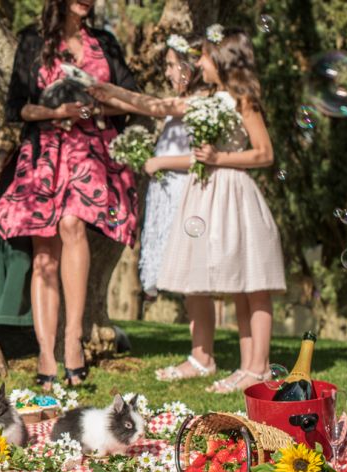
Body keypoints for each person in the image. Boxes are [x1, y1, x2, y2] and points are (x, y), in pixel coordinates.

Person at [92, 25, 286, 394]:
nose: (199, 63)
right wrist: (111, 92)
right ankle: (248, 368)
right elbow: (158, 105)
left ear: (224, 60)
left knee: (254, 286)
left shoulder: (243, 101)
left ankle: (258, 367)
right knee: (239, 285)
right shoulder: (207, 101)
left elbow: (264, 152)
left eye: (205, 56)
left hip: (236, 193)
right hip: (210, 194)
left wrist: (219, 157)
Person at [0, 0, 141, 391]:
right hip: (45, 151)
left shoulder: (105, 42)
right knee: (44, 249)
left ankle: (73, 339)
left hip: (91, 150)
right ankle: (45, 353)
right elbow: (16, 108)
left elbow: (130, 97)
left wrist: (98, 102)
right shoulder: (32, 40)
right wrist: (56, 112)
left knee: (73, 224)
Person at [136, 33, 220, 383]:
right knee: (189, 282)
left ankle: (203, 357)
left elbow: (201, 156)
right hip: (172, 199)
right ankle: (198, 354)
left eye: (172, 65)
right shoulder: (187, 102)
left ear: (189, 67)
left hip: (190, 197)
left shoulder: (200, 103)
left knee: (195, 279)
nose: (168, 71)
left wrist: (160, 162)